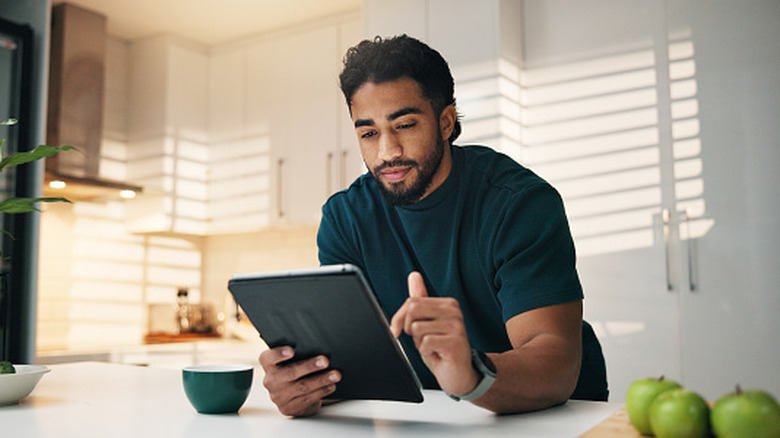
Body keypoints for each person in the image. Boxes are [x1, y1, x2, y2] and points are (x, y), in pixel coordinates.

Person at [259, 34, 608, 417]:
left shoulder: (519, 204)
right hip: (434, 415)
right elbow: (357, 362)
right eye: (369, 133)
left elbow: (555, 362)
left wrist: (470, 372)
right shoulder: (344, 220)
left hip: (557, 415)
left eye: (405, 125)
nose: (387, 152)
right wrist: (306, 386)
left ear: (445, 121)